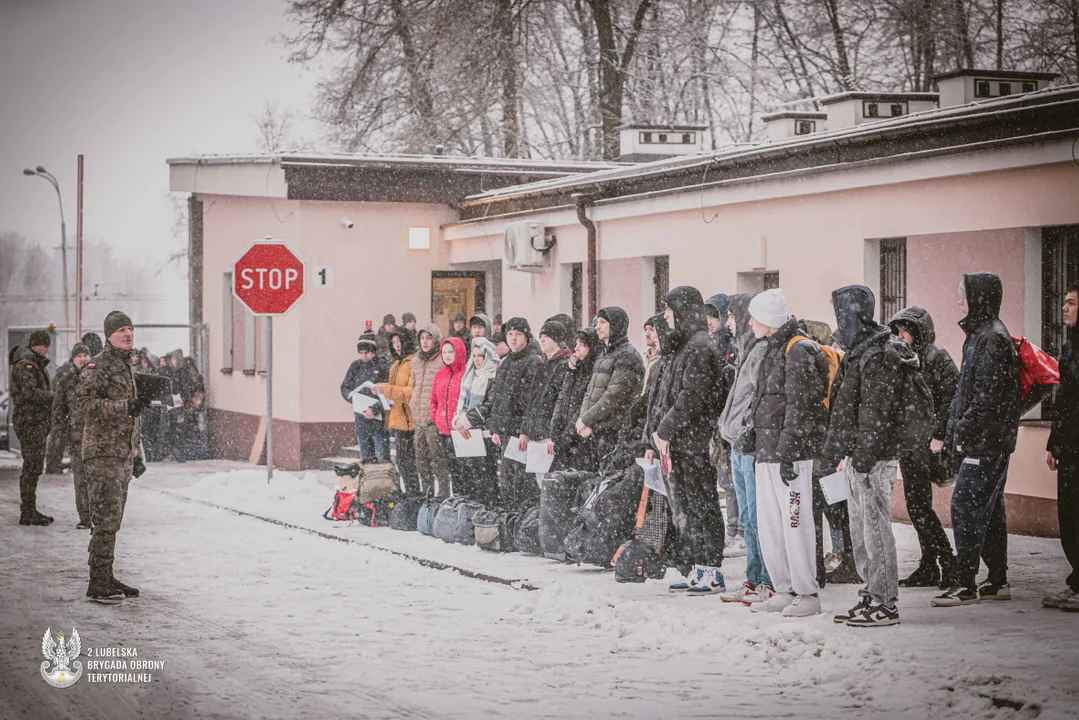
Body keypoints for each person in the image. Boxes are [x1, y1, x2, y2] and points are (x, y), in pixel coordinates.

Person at [825, 286, 913, 627]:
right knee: (861, 532)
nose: (837, 320)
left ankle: (886, 601)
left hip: (873, 459)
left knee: (876, 531)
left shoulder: (876, 354)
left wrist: (862, 456)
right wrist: (838, 453)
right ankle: (871, 593)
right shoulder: (858, 351)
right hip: (858, 457)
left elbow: (876, 412)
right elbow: (845, 408)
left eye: (840, 312)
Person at [935, 272, 1021, 607]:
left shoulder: (991, 338)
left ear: (978, 297)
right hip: (986, 438)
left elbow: (986, 396)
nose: (959, 301)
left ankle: (964, 582)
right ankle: (997, 580)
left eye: (964, 294)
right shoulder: (980, 335)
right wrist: (953, 429)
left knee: (965, 505)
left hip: (986, 441)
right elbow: (966, 392)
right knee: (990, 508)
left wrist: (963, 433)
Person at [748, 289, 829, 617]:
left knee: (796, 523)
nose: (750, 322)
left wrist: (788, 452)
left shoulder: (799, 350)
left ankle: (807, 592)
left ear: (768, 319)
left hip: (790, 457)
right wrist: (750, 438)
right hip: (767, 452)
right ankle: (784, 587)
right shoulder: (770, 348)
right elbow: (766, 400)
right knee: (770, 523)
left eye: (754, 316)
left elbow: (801, 406)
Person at [649, 287, 729, 595]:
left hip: (695, 440)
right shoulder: (682, 345)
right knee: (685, 505)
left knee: (703, 503)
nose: (666, 316)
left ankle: (712, 567)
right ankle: (696, 564)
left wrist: (665, 429)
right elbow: (668, 392)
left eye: (669, 310)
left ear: (682, 310)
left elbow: (691, 397)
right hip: (681, 441)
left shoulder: (699, 346)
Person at [75, 310, 149, 603]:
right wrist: (122, 407)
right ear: (109, 335)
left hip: (121, 455)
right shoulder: (98, 365)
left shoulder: (127, 367)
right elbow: (84, 405)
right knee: (105, 519)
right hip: (102, 453)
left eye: (130, 329)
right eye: (121, 330)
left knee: (113, 519)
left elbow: (133, 417)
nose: (128, 334)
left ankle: (105, 575)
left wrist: (137, 452)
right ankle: (97, 582)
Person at [888, 306, 960, 589]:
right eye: (898, 330)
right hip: (910, 441)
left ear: (917, 331)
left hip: (924, 442)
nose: (900, 335)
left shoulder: (935, 356)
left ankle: (946, 562)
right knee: (917, 506)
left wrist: (939, 434)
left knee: (920, 508)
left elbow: (951, 397)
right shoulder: (906, 357)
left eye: (904, 330)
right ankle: (930, 565)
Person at [718, 292, 775, 604]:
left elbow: (757, 399)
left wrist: (746, 430)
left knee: (756, 517)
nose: (728, 322)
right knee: (748, 520)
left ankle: (766, 579)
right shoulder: (744, 350)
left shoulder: (760, 352)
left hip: (750, 446)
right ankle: (753, 579)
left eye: (731, 316)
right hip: (738, 446)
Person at [484, 317, 545, 510]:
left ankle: (522, 521)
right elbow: (498, 398)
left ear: (526, 336)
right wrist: (495, 427)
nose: (513, 338)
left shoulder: (533, 362)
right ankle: (511, 519)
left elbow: (532, 402)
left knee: (523, 482)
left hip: (521, 434)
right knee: (508, 481)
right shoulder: (505, 362)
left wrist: (525, 430)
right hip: (506, 432)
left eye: (518, 334)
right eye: (510, 334)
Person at [1045, 283, 1079, 611]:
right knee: (1068, 517)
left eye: (1070, 303)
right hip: (1068, 449)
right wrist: (1054, 444)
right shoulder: (1070, 349)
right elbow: (1065, 401)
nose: (1064, 308)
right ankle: (1076, 580)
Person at [577, 307, 644, 461]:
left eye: (602, 322)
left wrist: (586, 420)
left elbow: (614, 396)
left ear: (616, 325)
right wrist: (583, 420)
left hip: (614, 431)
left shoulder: (627, 355)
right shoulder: (603, 354)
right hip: (595, 430)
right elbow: (590, 391)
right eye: (596, 322)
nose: (597, 327)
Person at [11, 330, 55, 525]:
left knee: (35, 466)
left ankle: (30, 509)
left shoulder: (34, 364)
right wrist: (53, 397)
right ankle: (27, 511)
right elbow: (30, 394)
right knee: (31, 466)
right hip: (30, 422)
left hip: (36, 422)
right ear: (37, 345)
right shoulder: (27, 366)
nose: (47, 350)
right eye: (45, 346)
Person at [452, 337, 502, 505]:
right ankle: (475, 511)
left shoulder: (494, 374)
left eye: (481, 355)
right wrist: (458, 419)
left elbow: (489, 405)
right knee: (472, 476)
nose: (477, 360)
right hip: (469, 433)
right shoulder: (471, 374)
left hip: (485, 433)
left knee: (486, 476)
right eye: (474, 356)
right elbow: (462, 403)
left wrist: (466, 420)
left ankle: (488, 510)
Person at [51, 344, 93, 528]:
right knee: (81, 478)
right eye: (80, 355)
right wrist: (59, 433)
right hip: (76, 437)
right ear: (74, 359)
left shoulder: (97, 377)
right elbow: (58, 410)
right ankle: (85, 516)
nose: (83, 358)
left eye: (86, 355)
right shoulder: (66, 380)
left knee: (97, 478)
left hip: (97, 436)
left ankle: (100, 516)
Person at [373, 330, 420, 495]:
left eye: (399, 341)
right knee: (402, 462)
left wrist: (386, 389)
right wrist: (381, 391)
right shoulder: (395, 365)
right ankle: (408, 495)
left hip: (411, 422)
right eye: (393, 342)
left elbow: (410, 392)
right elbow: (393, 392)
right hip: (398, 421)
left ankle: (414, 495)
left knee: (411, 463)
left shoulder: (413, 362)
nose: (397, 345)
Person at [550, 328, 600, 472]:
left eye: (582, 344)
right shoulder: (574, 369)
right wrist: (555, 431)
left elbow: (583, 407)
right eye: (576, 343)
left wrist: (567, 436)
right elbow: (561, 398)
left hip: (581, 440)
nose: (576, 347)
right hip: (565, 439)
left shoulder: (593, 372)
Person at [411, 324, 452, 494]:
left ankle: (443, 496)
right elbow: (414, 385)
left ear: (435, 339)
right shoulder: (415, 361)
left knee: (439, 461)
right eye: (422, 338)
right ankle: (426, 496)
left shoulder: (442, 359)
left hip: (434, 420)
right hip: (419, 419)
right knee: (422, 462)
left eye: (429, 338)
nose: (425, 341)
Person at [523, 321, 573, 460]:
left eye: (547, 336)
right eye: (541, 336)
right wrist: (526, 430)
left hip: (550, 434)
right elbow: (531, 400)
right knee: (538, 478)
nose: (542, 340)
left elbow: (559, 402)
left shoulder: (565, 365)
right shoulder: (541, 364)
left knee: (549, 478)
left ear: (557, 339)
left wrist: (554, 433)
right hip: (536, 432)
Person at [339, 332, 389, 462]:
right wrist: (354, 399)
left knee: (382, 459)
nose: (363, 356)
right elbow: (345, 387)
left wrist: (375, 409)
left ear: (373, 351)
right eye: (360, 353)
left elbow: (388, 392)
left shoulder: (382, 366)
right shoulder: (355, 366)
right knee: (366, 460)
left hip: (379, 422)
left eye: (366, 352)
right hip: (361, 421)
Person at [430, 337, 468, 493]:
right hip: (444, 431)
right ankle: (458, 500)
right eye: (444, 352)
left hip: (462, 431)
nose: (447, 355)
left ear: (458, 352)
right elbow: (433, 400)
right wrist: (436, 417)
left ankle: (467, 500)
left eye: (450, 351)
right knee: (452, 468)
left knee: (465, 471)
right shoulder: (440, 375)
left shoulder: (466, 373)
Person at [642, 315, 662, 391]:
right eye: (646, 330)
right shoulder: (645, 359)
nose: (646, 334)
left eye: (652, 329)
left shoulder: (663, 359)